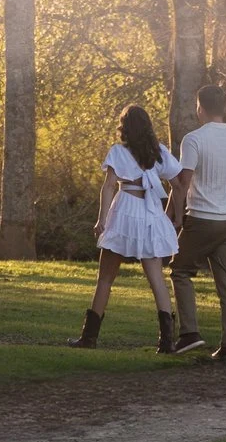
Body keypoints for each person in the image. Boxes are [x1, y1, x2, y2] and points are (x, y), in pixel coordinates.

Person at [68, 103, 186, 353]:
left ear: (125, 128)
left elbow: (109, 187)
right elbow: (179, 184)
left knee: (105, 279)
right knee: (157, 279)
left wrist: (101, 221)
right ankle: (166, 342)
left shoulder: (118, 152)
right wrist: (175, 217)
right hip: (151, 214)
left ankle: (89, 338)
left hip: (124, 213)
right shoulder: (160, 152)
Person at [168, 83, 226, 359]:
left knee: (180, 270)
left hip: (202, 219)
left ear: (199, 107)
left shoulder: (194, 140)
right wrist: (225, 196)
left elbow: (183, 182)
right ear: (224, 108)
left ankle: (189, 333)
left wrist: (174, 217)